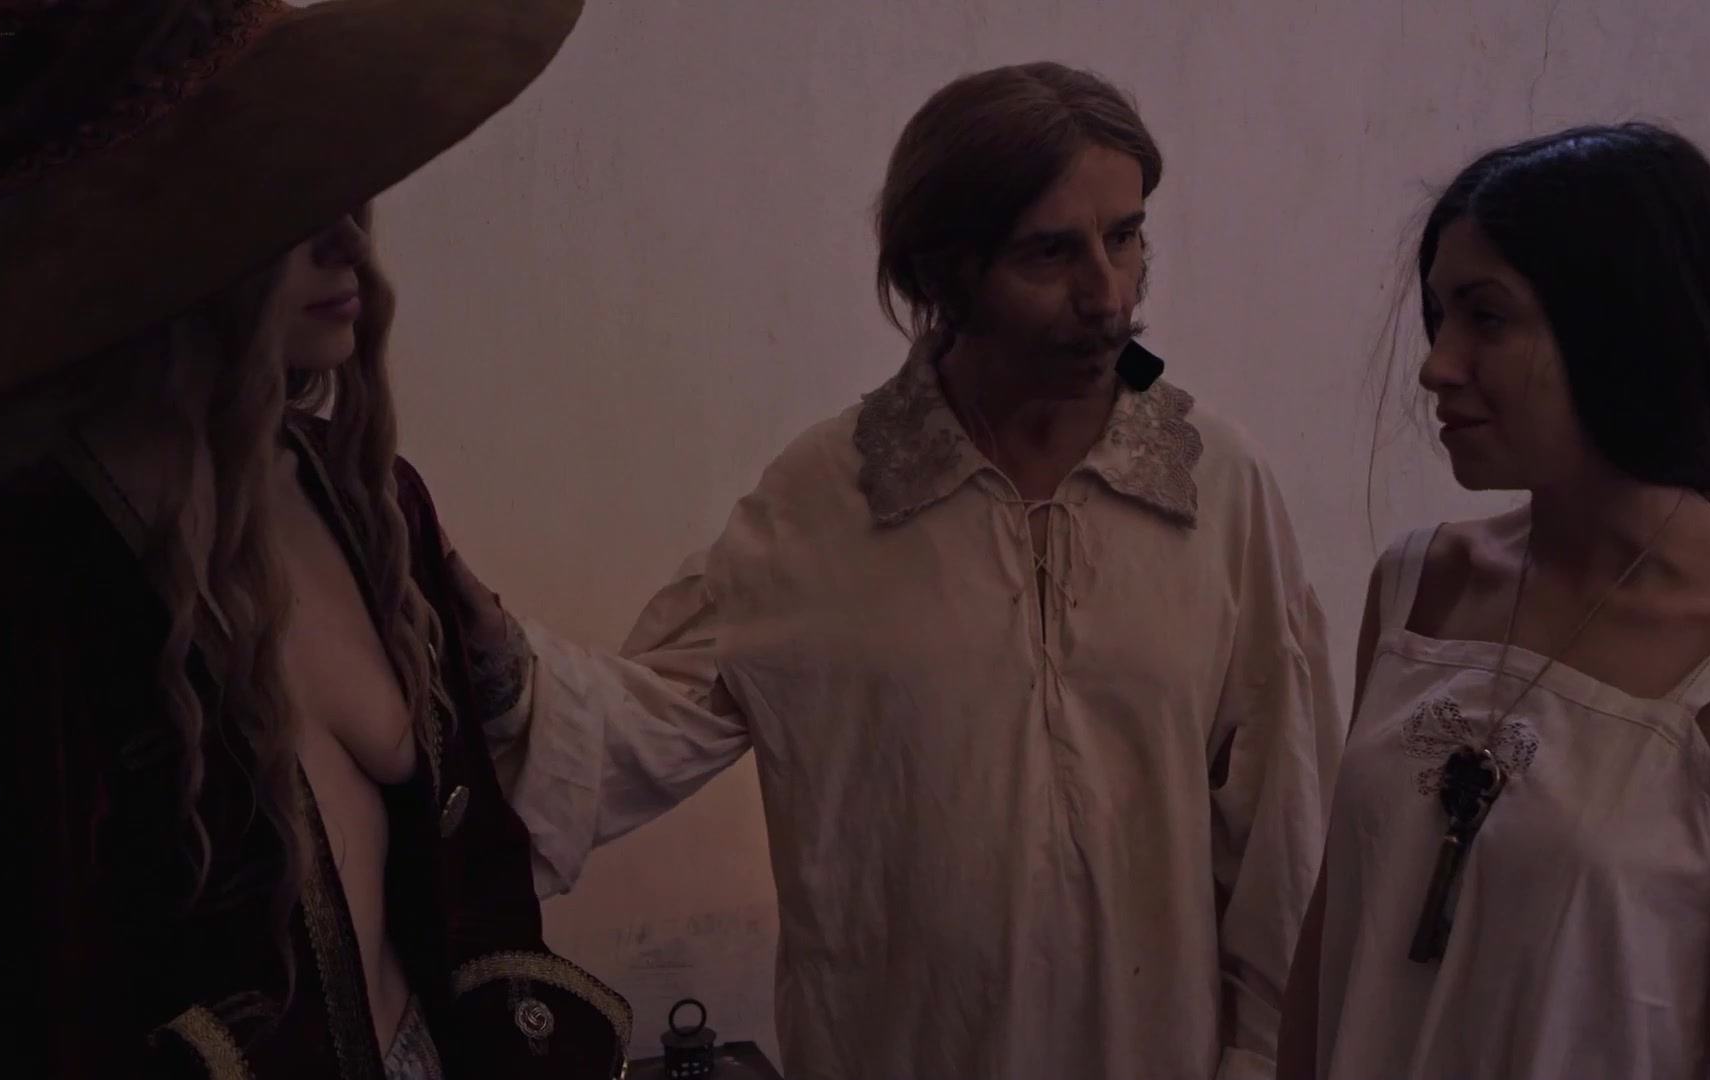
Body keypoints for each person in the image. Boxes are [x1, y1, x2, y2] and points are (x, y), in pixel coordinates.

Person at [464, 61, 1346, 1080]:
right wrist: (488, 653)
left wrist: (1264, 1062)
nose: (1107, 296)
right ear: (942, 275)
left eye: (1126, 236)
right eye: (1050, 253)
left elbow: (1284, 831)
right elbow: (643, 721)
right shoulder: (828, 498)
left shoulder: (1216, 485)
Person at [0, 0, 634, 1076]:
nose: (347, 241)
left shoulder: (371, 502)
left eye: (340, 185)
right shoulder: (21, 576)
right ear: (151, 235)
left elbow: (475, 875)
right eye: (282, 197)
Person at [1273, 123, 1710, 1080]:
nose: (1438, 364)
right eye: (1440, 315)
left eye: (1487, 319)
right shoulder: (1422, 585)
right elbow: (1332, 955)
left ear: (1621, 329)